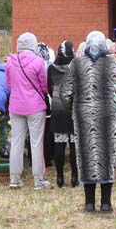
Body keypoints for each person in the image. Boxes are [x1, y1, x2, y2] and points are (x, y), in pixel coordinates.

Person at [61, 31, 116, 213]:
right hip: (109, 112)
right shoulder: (113, 62)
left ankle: (89, 203)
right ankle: (106, 203)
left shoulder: (75, 64)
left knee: (86, 155)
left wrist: (74, 108)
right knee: (108, 154)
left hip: (83, 113)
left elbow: (65, 93)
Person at [6, 32, 50, 190]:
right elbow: (44, 86)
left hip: (16, 105)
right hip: (35, 106)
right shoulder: (38, 62)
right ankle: (38, 179)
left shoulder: (10, 61)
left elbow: (9, 84)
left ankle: (15, 178)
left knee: (16, 142)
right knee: (36, 142)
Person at [48, 40, 79, 188]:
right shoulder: (77, 66)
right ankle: (75, 176)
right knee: (74, 144)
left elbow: (49, 88)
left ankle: (60, 176)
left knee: (59, 144)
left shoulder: (51, 68)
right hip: (74, 107)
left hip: (58, 107)